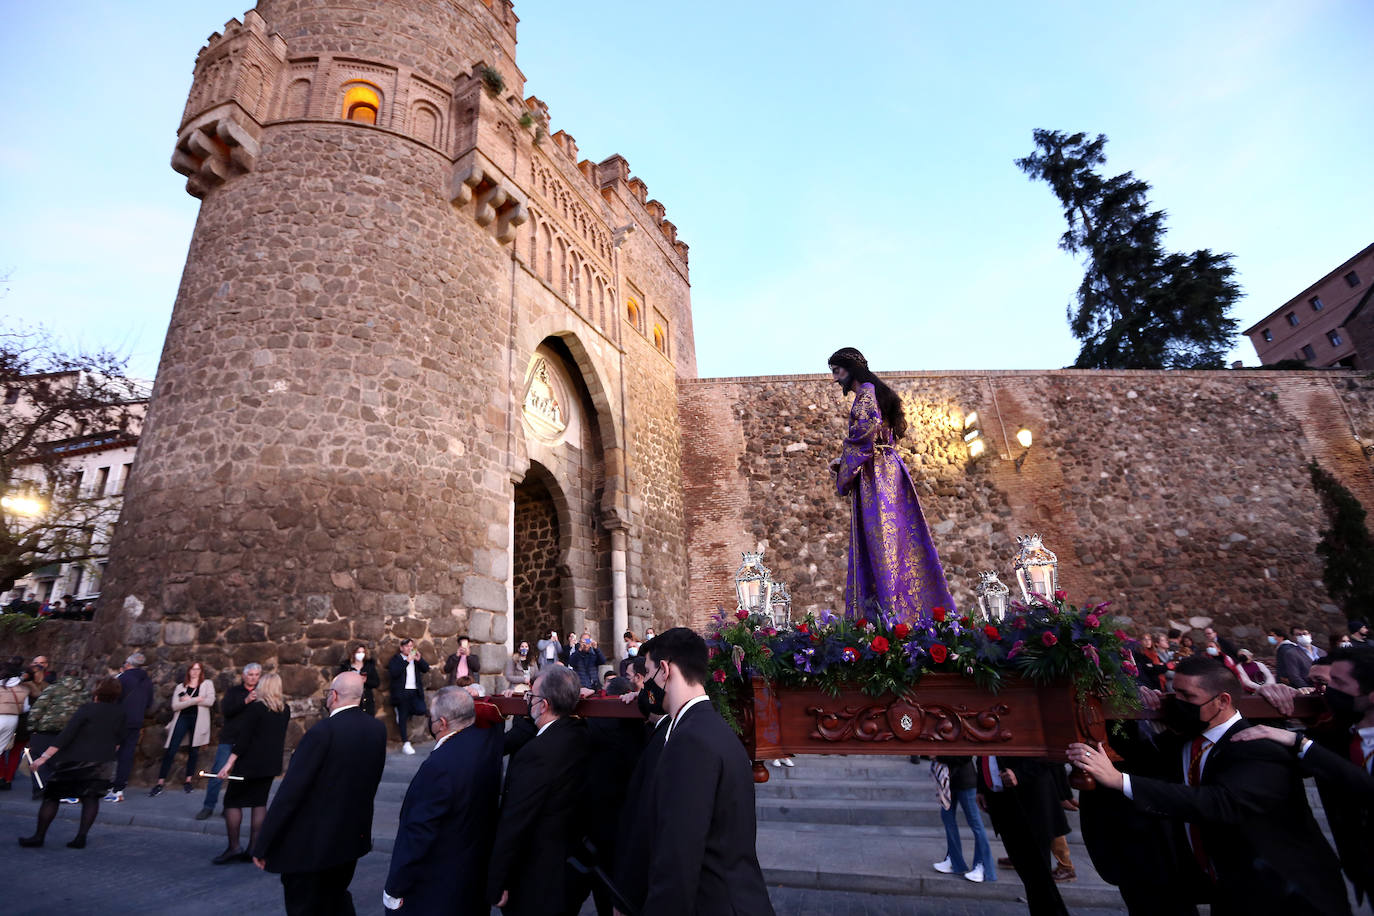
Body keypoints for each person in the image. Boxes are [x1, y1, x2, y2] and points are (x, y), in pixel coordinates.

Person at [1069, 655, 1350, 916]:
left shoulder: (1259, 744)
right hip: (1231, 891)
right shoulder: (1184, 742)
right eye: (1173, 693)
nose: (1177, 703)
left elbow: (1219, 802)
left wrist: (1120, 781)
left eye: (1187, 696)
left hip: (1290, 895)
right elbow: (1135, 759)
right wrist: (1132, 709)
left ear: (1222, 700)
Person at [638, 627, 775, 916]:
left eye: (648, 674)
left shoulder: (690, 740)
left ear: (665, 670)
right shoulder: (711, 728)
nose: (645, 686)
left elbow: (678, 854)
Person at [1236, 647, 1374, 905]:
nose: (1322, 693)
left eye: (1335, 683)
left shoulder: (1327, 739)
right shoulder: (1341, 733)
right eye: (1316, 684)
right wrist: (1271, 694)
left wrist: (1299, 743)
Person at [827, 347, 955, 623]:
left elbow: (864, 435)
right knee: (901, 540)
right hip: (890, 470)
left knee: (882, 544)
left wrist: (843, 467)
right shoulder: (877, 393)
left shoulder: (864, 396)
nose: (835, 379)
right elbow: (876, 436)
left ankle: (892, 619)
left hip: (877, 476)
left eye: (837, 372)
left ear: (850, 369)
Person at [252, 671, 388, 914]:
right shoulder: (377, 729)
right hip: (350, 840)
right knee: (336, 899)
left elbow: (290, 794)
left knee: (308, 905)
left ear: (333, 696)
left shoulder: (322, 732)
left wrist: (264, 843)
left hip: (312, 846)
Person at [383, 687, 503, 915]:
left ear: (442, 723)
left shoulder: (439, 766)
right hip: (472, 877)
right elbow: (493, 719)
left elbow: (418, 832)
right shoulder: (485, 744)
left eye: (431, 717)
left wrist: (395, 887)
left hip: (438, 888)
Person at [487, 665, 590, 915]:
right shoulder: (582, 735)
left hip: (537, 879)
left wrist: (497, 880)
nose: (527, 701)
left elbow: (515, 822)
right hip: (569, 872)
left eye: (531, 696)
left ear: (543, 705)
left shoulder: (535, 754)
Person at [20, 676, 125, 849]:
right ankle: (81, 837)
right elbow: (119, 740)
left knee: (52, 797)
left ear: (98, 691)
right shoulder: (120, 713)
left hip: (75, 760)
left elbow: (66, 735)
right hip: (103, 762)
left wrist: (43, 757)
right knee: (91, 798)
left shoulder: (87, 709)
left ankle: (38, 837)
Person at [976, 755, 1069, 915]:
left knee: (1040, 881)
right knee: (1032, 880)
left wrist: (1019, 774)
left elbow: (1049, 755)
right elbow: (983, 755)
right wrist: (982, 787)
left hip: (1031, 808)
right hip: (1004, 806)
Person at [213, 671, 289, 864]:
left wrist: (228, 764)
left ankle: (234, 847)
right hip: (270, 765)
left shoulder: (256, 709)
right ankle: (254, 848)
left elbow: (244, 740)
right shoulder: (284, 709)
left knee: (232, 802)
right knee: (259, 803)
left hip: (249, 764)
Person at [198, 661, 261, 820]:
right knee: (219, 772)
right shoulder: (234, 692)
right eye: (250, 675)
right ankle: (208, 806)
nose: (253, 678)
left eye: (256, 675)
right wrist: (245, 701)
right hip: (230, 738)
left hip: (249, 742)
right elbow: (226, 711)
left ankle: (230, 807)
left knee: (238, 777)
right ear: (244, 676)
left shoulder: (262, 693)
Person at [151, 660, 216, 796]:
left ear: (201, 671)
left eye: (198, 669)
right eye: (193, 669)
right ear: (189, 671)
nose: (195, 672)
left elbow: (210, 701)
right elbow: (175, 706)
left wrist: (188, 700)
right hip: (182, 719)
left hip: (198, 721)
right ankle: (160, 783)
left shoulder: (207, 684)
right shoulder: (181, 687)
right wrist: (197, 699)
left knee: (194, 751)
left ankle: (188, 781)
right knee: (171, 750)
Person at [931, 756, 995, 883]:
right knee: (947, 817)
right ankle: (955, 860)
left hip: (965, 780)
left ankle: (983, 865)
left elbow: (965, 755)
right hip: (948, 779)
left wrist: (938, 756)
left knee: (975, 823)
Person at [23, 673, 87, 797]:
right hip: (71, 732)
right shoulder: (84, 692)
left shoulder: (52, 688)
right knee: (63, 760)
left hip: (46, 729)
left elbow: (38, 708)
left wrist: (32, 728)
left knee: (40, 758)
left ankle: (41, 788)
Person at [107, 651, 154, 802]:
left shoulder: (122, 678)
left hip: (119, 721)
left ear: (127, 665)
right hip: (137, 721)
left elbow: (111, 697)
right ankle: (119, 790)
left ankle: (107, 785)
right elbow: (149, 703)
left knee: (110, 752)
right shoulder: (147, 681)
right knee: (127, 754)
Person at [389, 638, 430, 755]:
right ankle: (406, 743)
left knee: (421, 709)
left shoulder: (415, 659)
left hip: (415, 691)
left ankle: (405, 712)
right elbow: (394, 673)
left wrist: (419, 660)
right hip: (402, 692)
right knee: (402, 718)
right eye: (407, 646)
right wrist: (407, 661)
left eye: (411, 646)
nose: (409, 648)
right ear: (401, 648)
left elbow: (426, 668)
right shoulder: (396, 659)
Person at [0, 659, 29, 790]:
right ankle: (7, 778)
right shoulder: (23, 689)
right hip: (14, 720)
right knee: (3, 749)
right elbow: (25, 708)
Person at [337, 644, 380, 716]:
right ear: (353, 653)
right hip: (349, 700)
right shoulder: (346, 666)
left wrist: (366, 681)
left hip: (366, 701)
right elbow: (340, 682)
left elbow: (376, 683)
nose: (361, 654)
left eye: (363, 652)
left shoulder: (369, 666)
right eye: (358, 652)